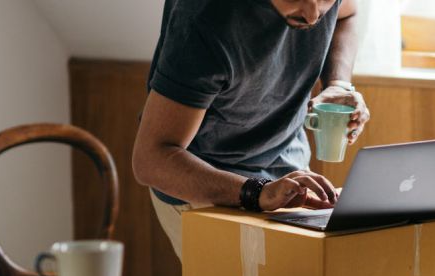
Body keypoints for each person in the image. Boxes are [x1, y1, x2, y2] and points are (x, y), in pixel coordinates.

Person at [133, 0, 371, 259]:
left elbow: (346, 15)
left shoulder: (318, 6)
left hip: (288, 168)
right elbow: (151, 159)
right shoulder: (205, 20)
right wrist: (257, 191)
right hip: (205, 184)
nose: (314, 16)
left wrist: (338, 83)